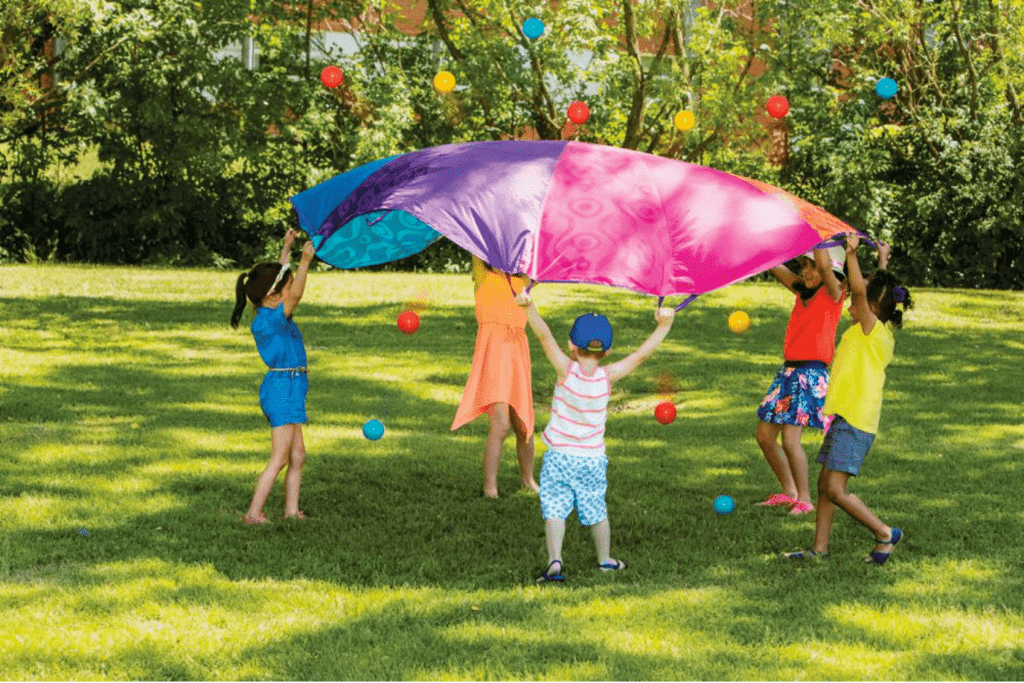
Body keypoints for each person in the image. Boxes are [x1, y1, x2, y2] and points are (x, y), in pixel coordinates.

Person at [515, 290, 675, 583]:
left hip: (559, 457)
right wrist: (664, 326)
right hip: (591, 460)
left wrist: (529, 306)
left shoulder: (566, 370)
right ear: (607, 352)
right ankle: (605, 560)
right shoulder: (608, 375)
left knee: (555, 509)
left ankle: (555, 561)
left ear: (571, 346)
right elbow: (641, 355)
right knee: (596, 509)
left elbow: (543, 337)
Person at [787, 236, 911, 563]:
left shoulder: (873, 331)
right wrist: (881, 260)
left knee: (836, 490)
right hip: (846, 418)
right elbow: (873, 291)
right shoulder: (866, 326)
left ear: (869, 307)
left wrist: (852, 254)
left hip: (855, 422)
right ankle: (819, 549)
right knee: (825, 484)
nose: (849, 306)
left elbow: (859, 291)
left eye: (856, 302)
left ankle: (885, 533)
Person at [230, 228, 316, 524]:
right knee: (280, 457)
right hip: (282, 389)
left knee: (298, 456)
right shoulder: (271, 320)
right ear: (274, 297)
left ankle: (291, 511)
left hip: (292, 386)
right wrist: (304, 261)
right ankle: (253, 513)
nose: (290, 293)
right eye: (285, 290)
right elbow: (295, 293)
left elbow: (280, 283)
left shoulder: (270, 307)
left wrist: (287, 248)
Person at [755, 244, 847, 515]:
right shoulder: (802, 291)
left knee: (790, 440)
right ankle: (789, 491)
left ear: (829, 270)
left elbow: (826, 268)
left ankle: (805, 501)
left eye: (813, 266)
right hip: (789, 373)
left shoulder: (834, 294)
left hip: (809, 374)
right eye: (804, 265)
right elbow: (773, 263)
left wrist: (821, 240)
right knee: (764, 436)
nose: (807, 271)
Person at [452, 255, 539, 498]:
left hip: (517, 356)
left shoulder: (523, 280)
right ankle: (490, 487)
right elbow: (475, 234)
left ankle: (528, 479)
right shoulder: (482, 274)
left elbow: (541, 258)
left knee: (524, 425)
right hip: (493, 357)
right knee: (500, 425)